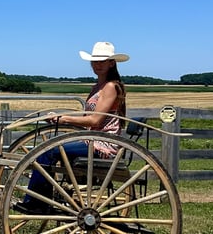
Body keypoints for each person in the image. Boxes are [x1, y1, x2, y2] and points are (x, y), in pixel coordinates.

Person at [14, 41, 129, 214]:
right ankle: (41, 198)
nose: (97, 65)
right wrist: (59, 118)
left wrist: (64, 119)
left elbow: (95, 121)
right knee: (48, 149)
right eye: (94, 61)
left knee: (48, 150)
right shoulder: (97, 87)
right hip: (91, 140)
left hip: (102, 145)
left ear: (111, 63)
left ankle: (38, 201)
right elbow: (87, 118)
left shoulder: (111, 87)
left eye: (102, 61)